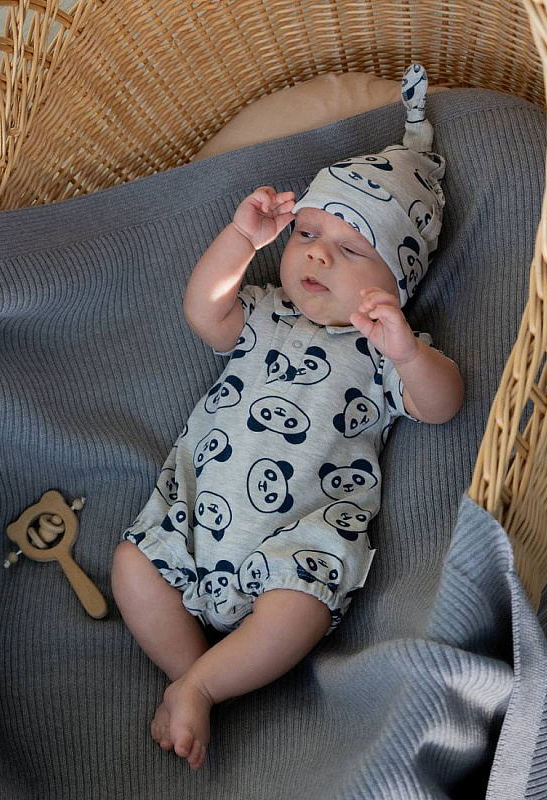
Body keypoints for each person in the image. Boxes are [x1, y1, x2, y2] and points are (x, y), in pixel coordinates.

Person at [111, 64, 464, 771]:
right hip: (196, 524)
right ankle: (192, 674)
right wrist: (242, 241)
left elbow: (442, 403)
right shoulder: (265, 310)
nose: (318, 252)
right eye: (306, 232)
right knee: (131, 566)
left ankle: (206, 685)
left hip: (293, 546)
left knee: (298, 608)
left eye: (352, 248)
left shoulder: (383, 351)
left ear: (396, 283)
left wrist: (406, 350)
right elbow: (203, 309)